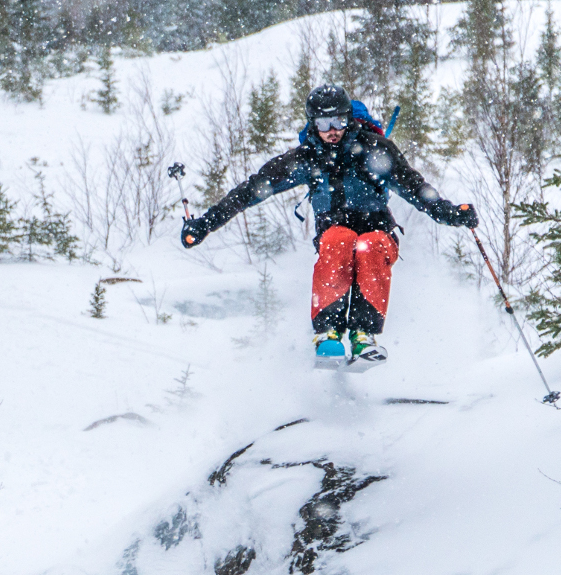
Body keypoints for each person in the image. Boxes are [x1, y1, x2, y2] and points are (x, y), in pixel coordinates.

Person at [180, 84, 478, 366]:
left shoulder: (376, 150)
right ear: (312, 124)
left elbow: (417, 190)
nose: (332, 131)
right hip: (335, 232)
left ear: (349, 119)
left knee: (369, 245)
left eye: (337, 122)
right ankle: (329, 333)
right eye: (323, 124)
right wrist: (205, 224)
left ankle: (364, 335)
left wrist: (452, 213)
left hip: (378, 230)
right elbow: (251, 190)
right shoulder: (306, 158)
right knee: (339, 240)